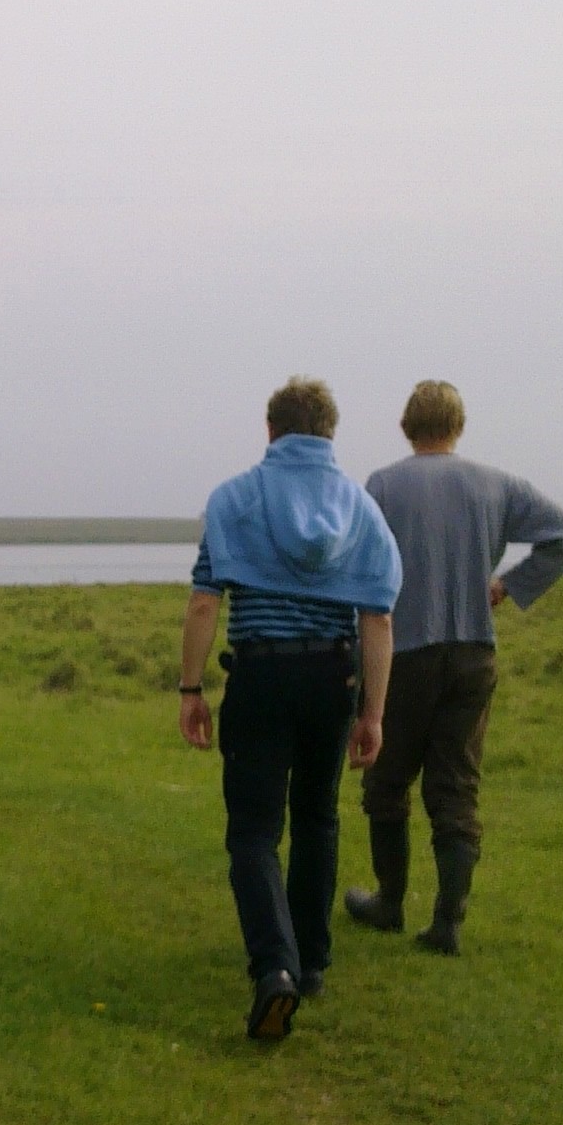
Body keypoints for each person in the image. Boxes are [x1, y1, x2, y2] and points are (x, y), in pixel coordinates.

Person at [179, 379, 401, 1041]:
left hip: (260, 674)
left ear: (271, 431)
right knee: (316, 818)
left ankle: (273, 968)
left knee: (253, 830)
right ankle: (312, 965)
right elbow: (379, 618)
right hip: (331, 674)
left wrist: (191, 691)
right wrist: (373, 712)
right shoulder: (361, 510)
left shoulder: (234, 498)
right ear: (328, 435)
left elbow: (202, 604)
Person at [345, 380, 563, 956]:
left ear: (408, 425)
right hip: (475, 652)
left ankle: (389, 902)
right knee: (456, 788)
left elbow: (354, 565)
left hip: (403, 653)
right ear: (459, 426)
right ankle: (448, 922)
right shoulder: (498, 485)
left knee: (387, 781)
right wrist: (509, 584)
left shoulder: (382, 484)